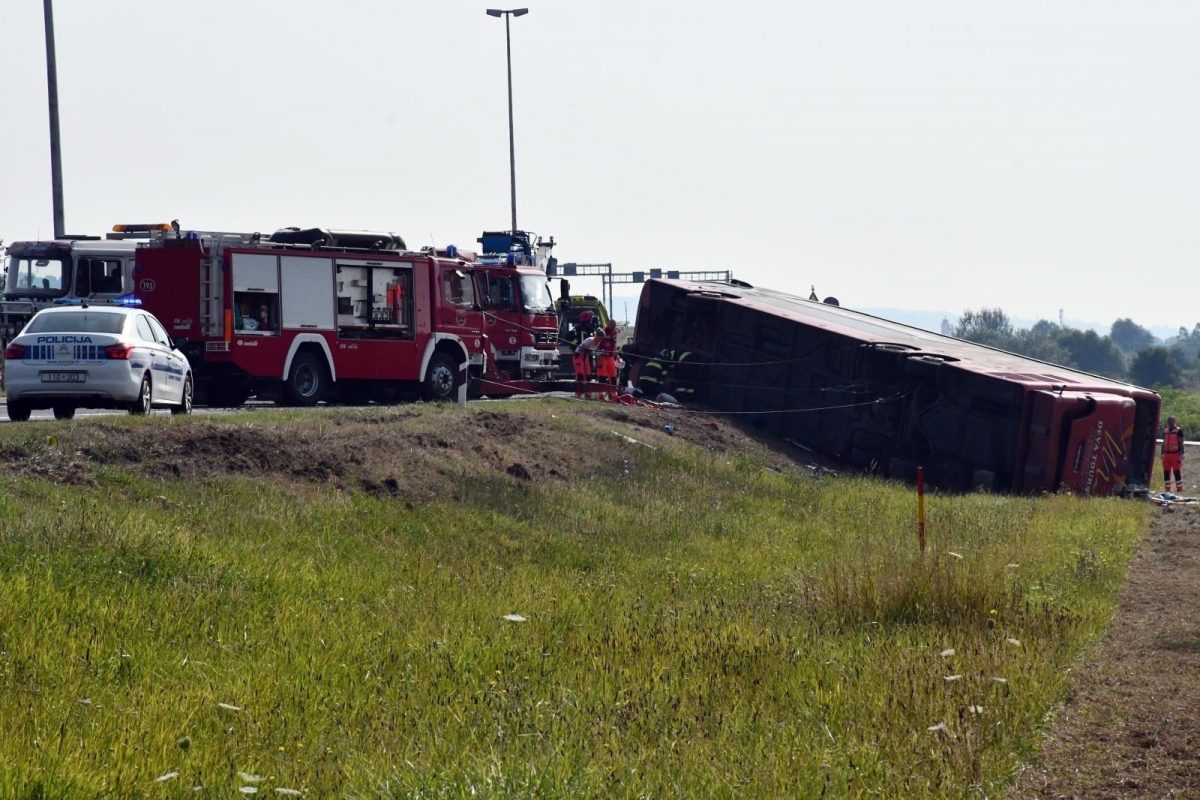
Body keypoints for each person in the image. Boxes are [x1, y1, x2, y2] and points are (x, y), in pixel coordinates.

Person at [1162, 416, 1185, 493]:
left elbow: (1181, 443)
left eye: (1171, 421)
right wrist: (1162, 453)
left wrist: (1182, 453)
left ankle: (1179, 489)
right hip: (1166, 454)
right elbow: (1163, 443)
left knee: (1176, 471)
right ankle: (1167, 489)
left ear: (1174, 421)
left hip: (1175, 454)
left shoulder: (1178, 431)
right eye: (1169, 421)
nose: (1170, 423)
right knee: (1166, 472)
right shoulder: (1165, 431)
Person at [595, 320, 619, 386]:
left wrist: (617, 356)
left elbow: (614, 346)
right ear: (608, 324)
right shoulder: (603, 332)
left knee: (613, 374)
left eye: (613, 325)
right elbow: (597, 345)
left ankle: (614, 392)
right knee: (602, 374)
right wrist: (598, 356)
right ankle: (601, 393)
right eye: (610, 324)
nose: (612, 326)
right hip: (602, 357)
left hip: (611, 357)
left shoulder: (614, 332)